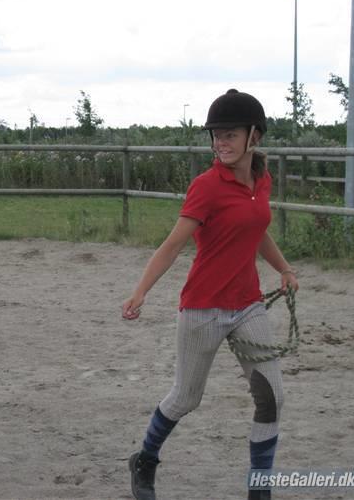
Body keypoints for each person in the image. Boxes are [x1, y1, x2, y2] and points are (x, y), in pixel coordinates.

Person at [121, 89, 299, 500]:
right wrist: (140, 292)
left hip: (249, 306)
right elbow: (171, 245)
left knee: (271, 398)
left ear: (255, 136)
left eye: (230, 134)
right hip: (204, 308)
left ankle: (260, 489)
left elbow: (256, 231)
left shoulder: (261, 181)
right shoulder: (207, 187)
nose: (221, 142)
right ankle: (145, 459)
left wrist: (285, 269)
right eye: (216, 135)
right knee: (186, 398)